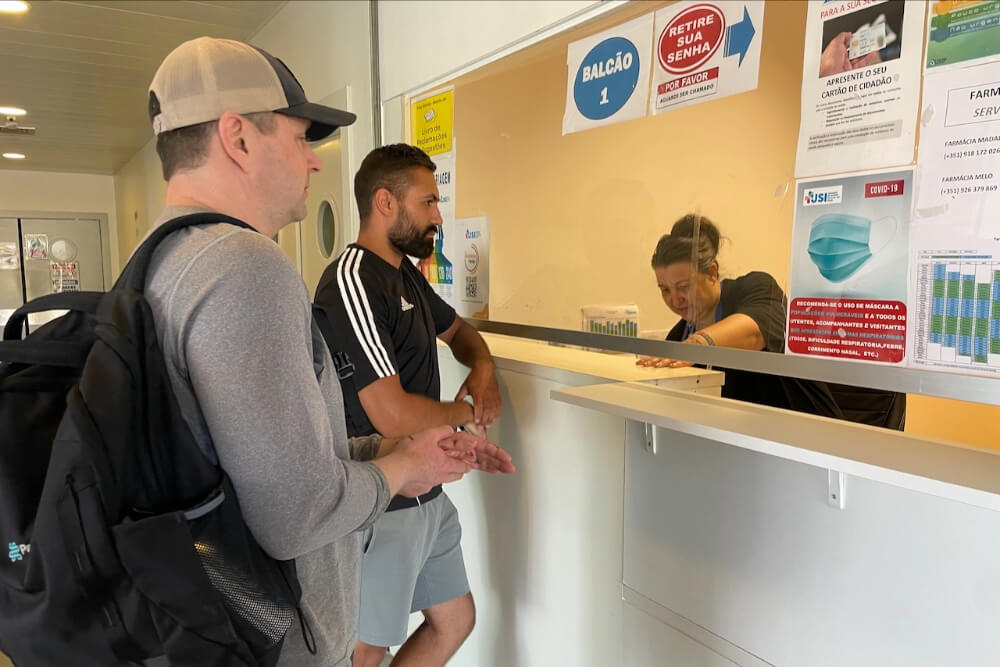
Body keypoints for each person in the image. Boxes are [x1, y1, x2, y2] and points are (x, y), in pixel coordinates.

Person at [143, 37, 512, 667]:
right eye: (299, 138)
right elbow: (296, 515)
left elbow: (260, 461)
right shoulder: (245, 269)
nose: (313, 163)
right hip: (280, 638)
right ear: (237, 138)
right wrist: (402, 467)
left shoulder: (164, 258)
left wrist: (400, 449)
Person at [314, 143, 510, 667]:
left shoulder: (408, 279)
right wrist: (467, 415)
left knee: (455, 619)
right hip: (383, 495)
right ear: (385, 203)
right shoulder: (352, 280)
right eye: (427, 202)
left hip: (427, 492)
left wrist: (483, 370)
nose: (437, 217)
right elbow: (391, 414)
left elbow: (463, 333)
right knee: (364, 651)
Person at [638, 214, 905, 428]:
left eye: (683, 286)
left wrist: (696, 345)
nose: (675, 299)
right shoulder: (678, 338)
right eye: (665, 289)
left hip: (811, 436)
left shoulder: (756, 288)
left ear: (711, 273)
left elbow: (754, 332)